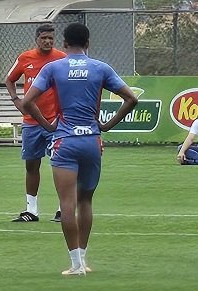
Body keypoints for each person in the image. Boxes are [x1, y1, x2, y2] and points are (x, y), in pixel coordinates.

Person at [19, 22, 139, 276]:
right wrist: (106, 125)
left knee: (66, 202)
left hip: (65, 141)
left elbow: (27, 100)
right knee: (86, 201)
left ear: (64, 44)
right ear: (88, 44)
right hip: (92, 141)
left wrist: (47, 125)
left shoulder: (54, 67)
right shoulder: (100, 68)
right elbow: (132, 99)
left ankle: (75, 265)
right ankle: (84, 259)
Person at [5, 23, 67, 223]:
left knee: (61, 165)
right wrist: (16, 100)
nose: (48, 41)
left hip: (55, 122)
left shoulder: (61, 59)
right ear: (37, 39)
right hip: (31, 122)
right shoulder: (25, 58)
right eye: (44, 38)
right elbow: (9, 79)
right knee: (31, 165)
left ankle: (62, 209)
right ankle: (31, 211)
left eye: (51, 38)